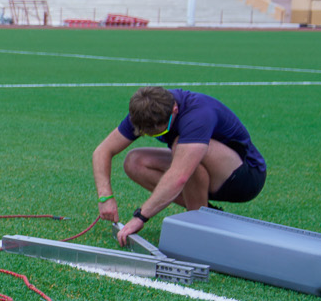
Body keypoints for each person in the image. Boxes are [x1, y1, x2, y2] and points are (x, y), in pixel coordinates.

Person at [93, 86, 266, 246]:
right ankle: (205, 213)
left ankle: (200, 226)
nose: (150, 135)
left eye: (159, 132)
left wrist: (140, 217)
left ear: (174, 110)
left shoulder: (198, 114)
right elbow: (102, 151)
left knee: (181, 149)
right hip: (207, 171)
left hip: (245, 177)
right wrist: (105, 197)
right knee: (135, 162)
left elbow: (179, 176)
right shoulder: (144, 111)